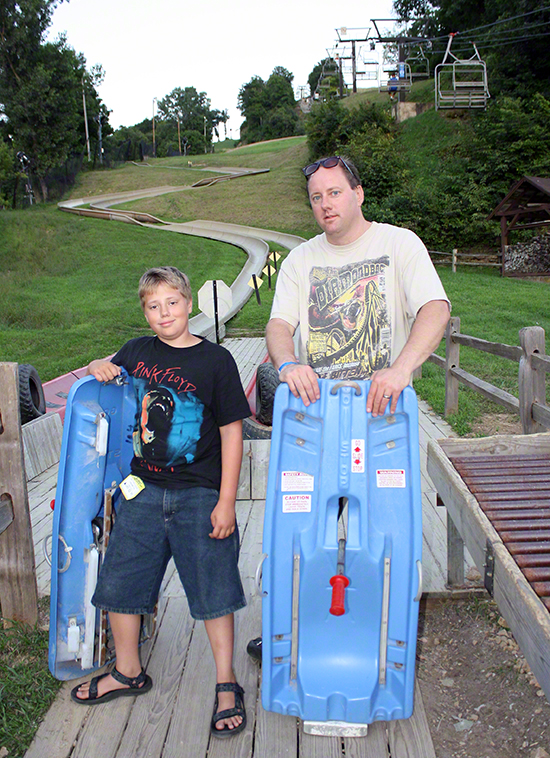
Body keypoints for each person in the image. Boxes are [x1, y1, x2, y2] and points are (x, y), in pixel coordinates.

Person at [247, 155, 450, 662]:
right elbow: (278, 326)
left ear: (358, 194)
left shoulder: (399, 244)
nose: (325, 204)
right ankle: (289, 625)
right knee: (302, 526)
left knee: (385, 527)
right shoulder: (300, 260)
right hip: (318, 417)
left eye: (334, 192)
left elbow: (434, 308)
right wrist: (288, 363)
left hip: (383, 417)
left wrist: (401, 368)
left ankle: (386, 631)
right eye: (316, 197)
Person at [71, 266, 251, 739]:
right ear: (145, 313)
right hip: (143, 490)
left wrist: (227, 501)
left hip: (200, 494)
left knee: (213, 586)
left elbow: (233, 432)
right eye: (153, 306)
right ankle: (127, 670)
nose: (163, 313)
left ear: (189, 304)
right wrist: (97, 367)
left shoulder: (216, 361)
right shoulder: (137, 351)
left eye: (171, 302)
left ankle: (226, 682)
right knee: (121, 579)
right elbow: (105, 371)